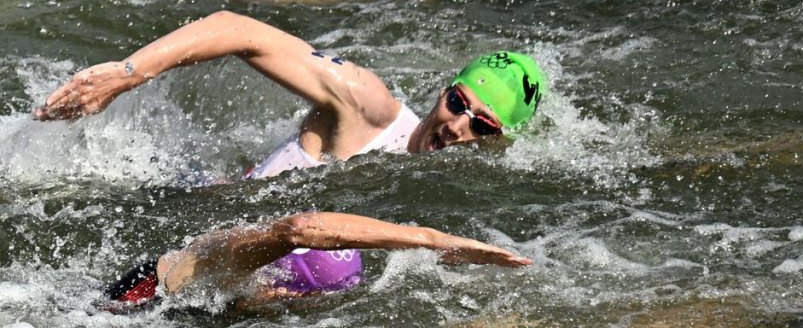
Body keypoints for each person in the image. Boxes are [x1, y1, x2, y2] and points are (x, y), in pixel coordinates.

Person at [34, 10, 546, 302]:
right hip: (187, 241)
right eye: (458, 102)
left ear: (498, 142)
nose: (458, 124)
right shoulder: (367, 107)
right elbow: (239, 30)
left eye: (482, 124)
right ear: (445, 88)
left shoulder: (460, 198)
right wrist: (127, 74)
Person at [104, 210, 531, 310]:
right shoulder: (228, 263)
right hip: (134, 303)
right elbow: (298, 230)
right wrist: (430, 239)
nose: (284, 297)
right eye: (290, 291)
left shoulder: (253, 299)